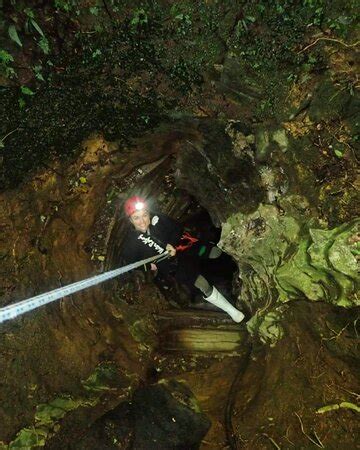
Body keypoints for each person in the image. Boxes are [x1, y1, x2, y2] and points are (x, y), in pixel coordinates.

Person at [121, 196, 244, 323]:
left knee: (215, 253)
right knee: (202, 284)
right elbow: (131, 262)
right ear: (130, 220)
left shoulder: (158, 220)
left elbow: (177, 228)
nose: (142, 221)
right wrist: (149, 266)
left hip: (186, 247)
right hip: (174, 265)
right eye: (136, 218)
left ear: (148, 213)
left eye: (144, 215)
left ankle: (240, 268)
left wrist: (170, 243)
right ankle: (231, 310)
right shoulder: (132, 242)